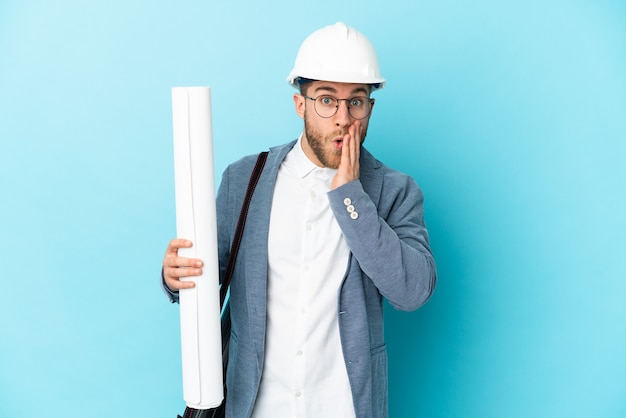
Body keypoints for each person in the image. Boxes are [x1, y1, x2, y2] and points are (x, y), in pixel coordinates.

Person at [162, 22, 437, 418]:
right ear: (300, 104)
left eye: (355, 102)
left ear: (369, 108)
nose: (343, 118)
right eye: (327, 100)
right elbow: (206, 274)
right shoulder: (245, 179)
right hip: (254, 407)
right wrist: (176, 274)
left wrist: (349, 196)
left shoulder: (396, 191)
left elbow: (412, 292)